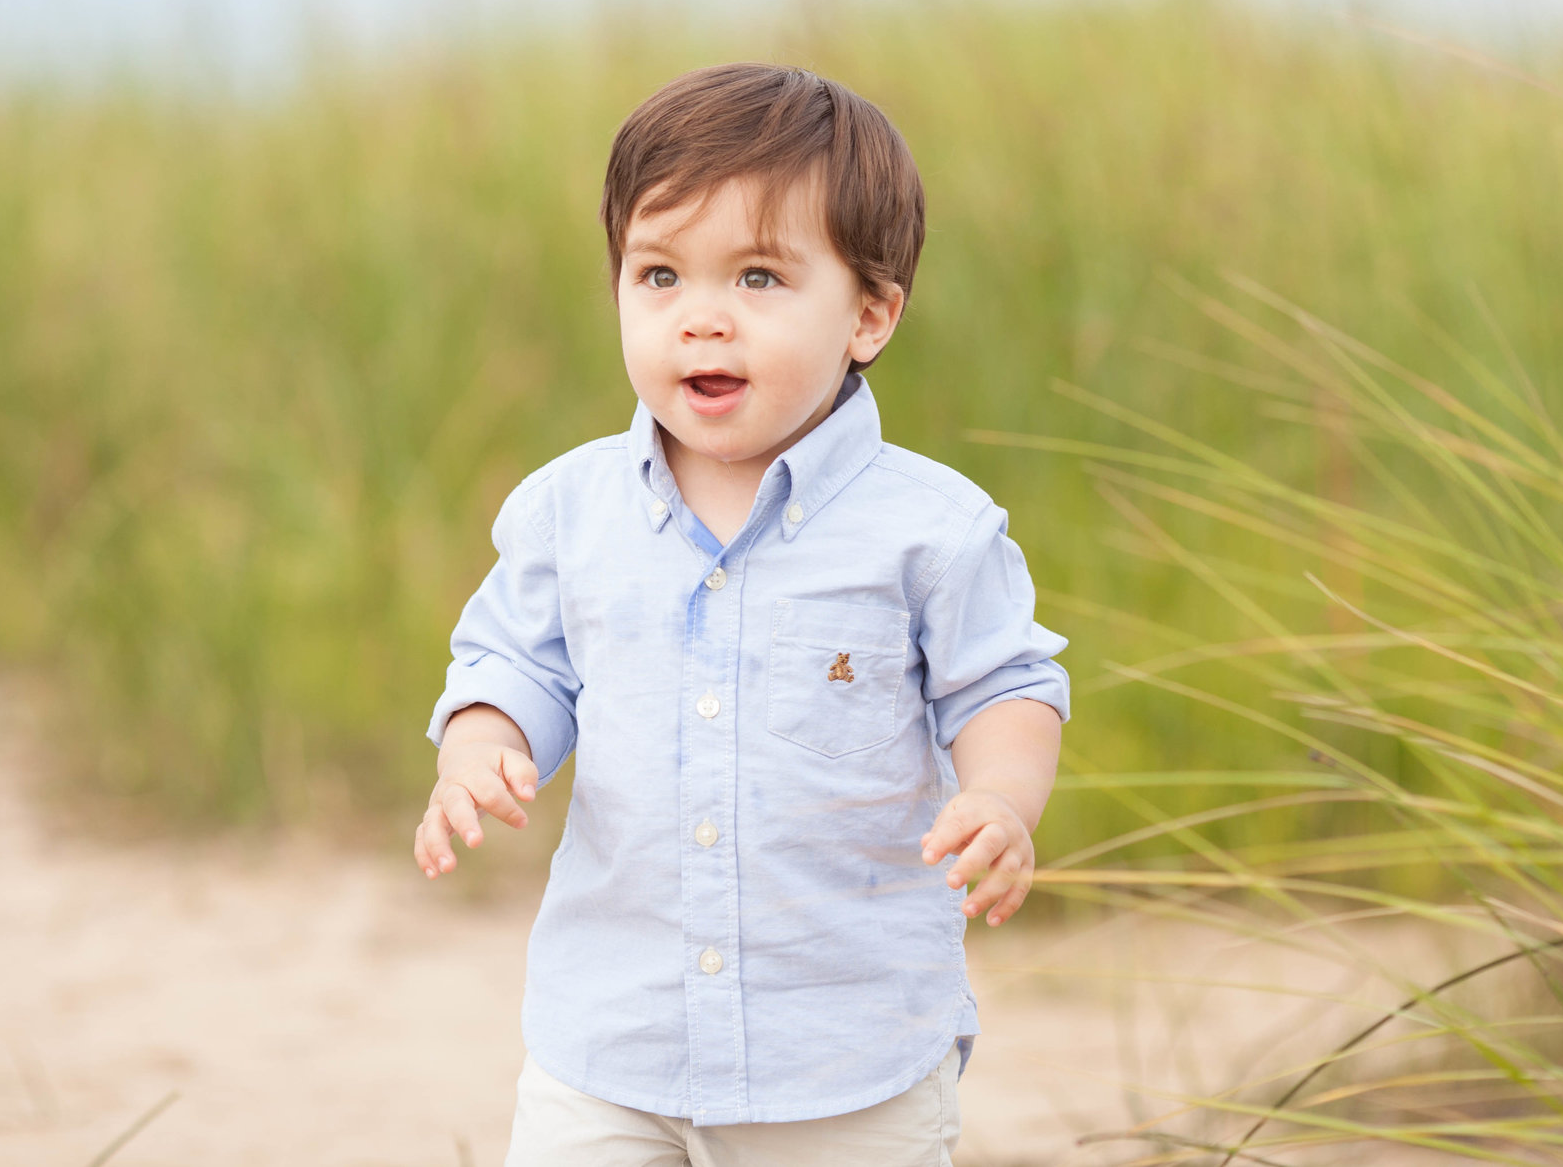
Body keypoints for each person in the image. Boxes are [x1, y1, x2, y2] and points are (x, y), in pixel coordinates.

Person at [414, 63, 1071, 1165]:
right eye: (659, 274)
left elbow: (1002, 684)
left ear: (869, 312)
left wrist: (1002, 796)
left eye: (759, 277)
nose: (702, 318)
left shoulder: (930, 529)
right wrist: (482, 747)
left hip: (843, 1055)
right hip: (613, 1041)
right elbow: (514, 660)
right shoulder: (569, 510)